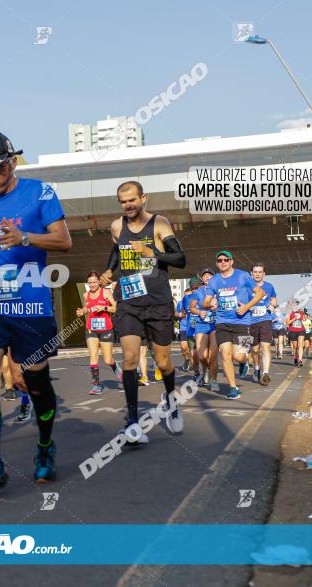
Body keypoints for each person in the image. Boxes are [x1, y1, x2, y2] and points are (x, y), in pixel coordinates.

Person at [0, 131, 72, 495]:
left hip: (31, 303)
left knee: (35, 382)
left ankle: (44, 447)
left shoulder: (41, 192)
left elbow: (64, 240)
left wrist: (25, 238)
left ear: (12, 162)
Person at [100, 181, 187, 444]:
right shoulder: (117, 226)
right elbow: (116, 251)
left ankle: (172, 402)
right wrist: (108, 270)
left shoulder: (159, 224)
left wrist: (153, 252)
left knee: (163, 362)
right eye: (122, 201)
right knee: (129, 358)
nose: (127, 205)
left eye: (132, 200)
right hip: (128, 301)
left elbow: (180, 259)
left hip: (158, 303)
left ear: (143, 198)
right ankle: (132, 422)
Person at [200, 251, 264, 400]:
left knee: (239, 355)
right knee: (226, 355)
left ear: (231, 262)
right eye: (220, 260)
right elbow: (205, 302)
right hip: (222, 322)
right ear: (216, 263)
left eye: (226, 260)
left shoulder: (242, 276)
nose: (223, 262)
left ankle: (244, 362)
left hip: (243, 322)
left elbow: (260, 293)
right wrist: (210, 303)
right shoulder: (214, 280)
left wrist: (247, 306)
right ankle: (233, 388)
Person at [75, 270, 120, 395]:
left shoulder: (106, 292)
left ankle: (115, 367)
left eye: (95, 282)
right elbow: (86, 307)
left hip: (106, 329)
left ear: (99, 282)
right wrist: (82, 311)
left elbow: (116, 308)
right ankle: (96, 386)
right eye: (90, 283)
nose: (92, 285)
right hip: (91, 329)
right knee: (93, 356)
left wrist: (104, 308)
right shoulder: (86, 295)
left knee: (107, 360)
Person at [190, 268, 219, 393]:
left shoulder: (219, 290)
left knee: (212, 356)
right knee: (202, 356)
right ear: (202, 278)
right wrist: (199, 311)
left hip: (215, 326)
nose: (207, 277)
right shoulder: (198, 292)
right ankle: (206, 370)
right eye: (205, 275)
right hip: (201, 325)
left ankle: (214, 380)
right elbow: (191, 308)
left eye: (210, 275)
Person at [249, 263, 278, 386]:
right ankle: (257, 369)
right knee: (255, 350)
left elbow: (274, 300)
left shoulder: (269, 287)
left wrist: (273, 305)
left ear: (264, 274)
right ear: (251, 273)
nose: (257, 274)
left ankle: (265, 373)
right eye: (255, 272)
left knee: (265, 347)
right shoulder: (247, 287)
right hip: (250, 321)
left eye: (260, 272)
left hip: (265, 319)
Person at [286, 302, 307, 367]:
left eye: (297, 305)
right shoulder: (289, 313)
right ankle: (295, 358)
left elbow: (304, 319)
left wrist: (304, 316)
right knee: (295, 347)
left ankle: (300, 360)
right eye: (294, 305)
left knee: (300, 345)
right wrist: (295, 318)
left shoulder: (301, 312)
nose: (296, 307)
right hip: (292, 331)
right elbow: (287, 322)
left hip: (301, 330)